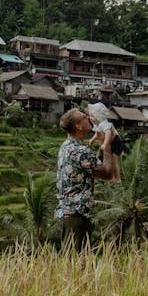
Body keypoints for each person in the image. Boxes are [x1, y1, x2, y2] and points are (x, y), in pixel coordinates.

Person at [55, 107, 116, 249]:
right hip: (77, 214)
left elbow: (93, 167)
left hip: (70, 212)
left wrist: (102, 146)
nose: (88, 117)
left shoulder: (67, 146)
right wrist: (107, 145)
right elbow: (107, 173)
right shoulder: (80, 151)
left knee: (76, 261)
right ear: (78, 126)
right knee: (75, 263)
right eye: (83, 116)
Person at [87, 102, 123, 183]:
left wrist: (105, 143)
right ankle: (104, 173)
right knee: (99, 156)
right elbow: (97, 134)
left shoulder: (104, 124)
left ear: (98, 117)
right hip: (107, 143)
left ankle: (117, 178)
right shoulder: (98, 125)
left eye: (92, 116)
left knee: (114, 161)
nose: (90, 118)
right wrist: (93, 139)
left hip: (116, 142)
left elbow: (108, 133)